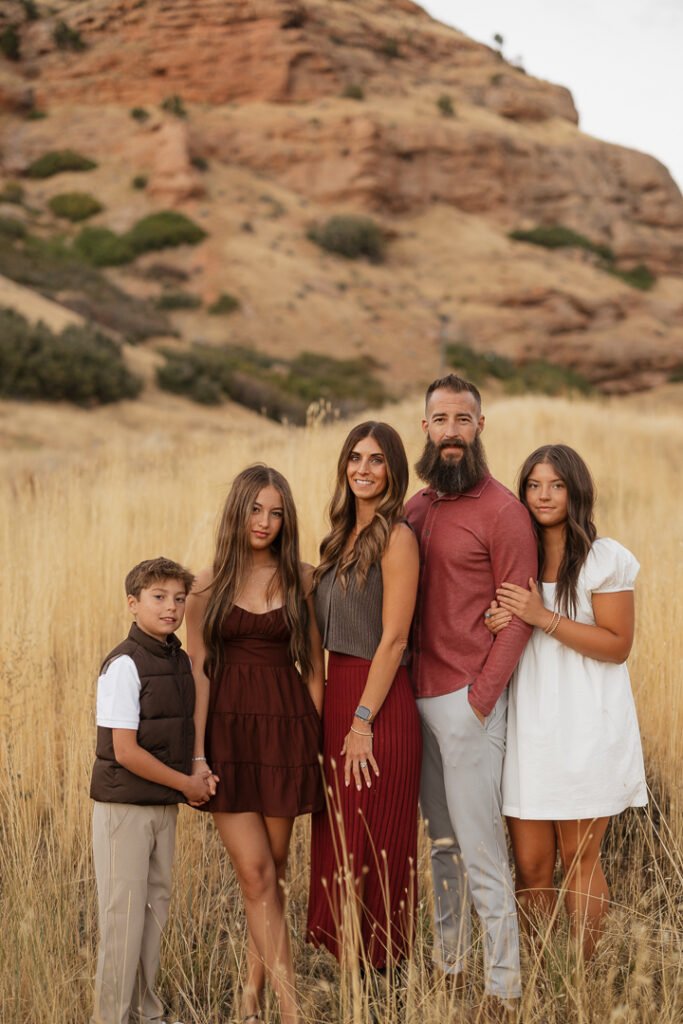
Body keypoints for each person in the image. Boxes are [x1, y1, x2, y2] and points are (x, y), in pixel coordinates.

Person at [405, 374, 537, 1017]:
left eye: (463, 419)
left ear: (480, 426)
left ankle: (503, 987)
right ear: (425, 428)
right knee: (442, 848)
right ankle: (451, 966)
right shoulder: (414, 509)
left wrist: (481, 700)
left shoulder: (504, 511)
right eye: (441, 420)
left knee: (481, 850)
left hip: (467, 705)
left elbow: (518, 617)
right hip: (415, 701)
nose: (451, 432)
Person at [484, 444, 647, 961]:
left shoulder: (604, 558)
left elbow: (617, 645)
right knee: (531, 865)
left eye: (556, 485)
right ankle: (536, 978)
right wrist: (496, 622)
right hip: (529, 729)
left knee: (579, 859)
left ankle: (579, 978)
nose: (544, 495)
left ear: (576, 491)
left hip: (586, 728)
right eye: (534, 485)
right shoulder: (517, 558)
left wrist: (542, 617)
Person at [186, 465, 324, 1024]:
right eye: (255, 509)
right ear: (237, 511)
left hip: (286, 733)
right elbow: (198, 670)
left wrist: (312, 739)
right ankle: (292, 1012)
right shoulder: (206, 584)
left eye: (276, 512)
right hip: (229, 735)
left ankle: (252, 993)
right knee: (255, 874)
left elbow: (314, 669)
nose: (265, 522)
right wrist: (197, 753)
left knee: (274, 870)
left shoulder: (302, 579)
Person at [307, 421, 422, 974]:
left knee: (375, 842)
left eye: (376, 459)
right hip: (339, 699)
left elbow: (394, 639)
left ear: (393, 470)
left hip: (378, 705)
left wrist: (361, 722)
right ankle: (350, 975)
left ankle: (384, 977)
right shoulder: (336, 539)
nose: (363, 469)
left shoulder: (397, 537)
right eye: (355, 457)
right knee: (341, 839)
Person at [90, 556, 217, 1024]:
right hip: (124, 808)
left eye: (179, 599)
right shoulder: (124, 664)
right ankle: (110, 1017)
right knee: (122, 919)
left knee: (153, 912)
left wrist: (198, 772)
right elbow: (125, 751)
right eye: (158, 597)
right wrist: (185, 784)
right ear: (133, 603)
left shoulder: (178, 660)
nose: (171, 608)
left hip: (163, 805)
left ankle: (147, 1012)